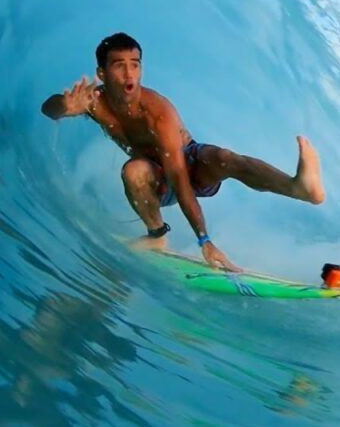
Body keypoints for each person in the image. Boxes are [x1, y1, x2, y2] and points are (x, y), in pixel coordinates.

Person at [41, 32, 325, 272]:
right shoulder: (94, 102)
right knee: (134, 171)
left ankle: (297, 187)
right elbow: (49, 109)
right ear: (102, 73)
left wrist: (205, 241)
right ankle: (156, 235)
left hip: (189, 165)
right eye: (119, 65)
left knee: (224, 158)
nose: (129, 74)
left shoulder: (158, 113)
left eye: (135, 65)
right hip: (155, 179)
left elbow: (179, 176)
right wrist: (64, 108)